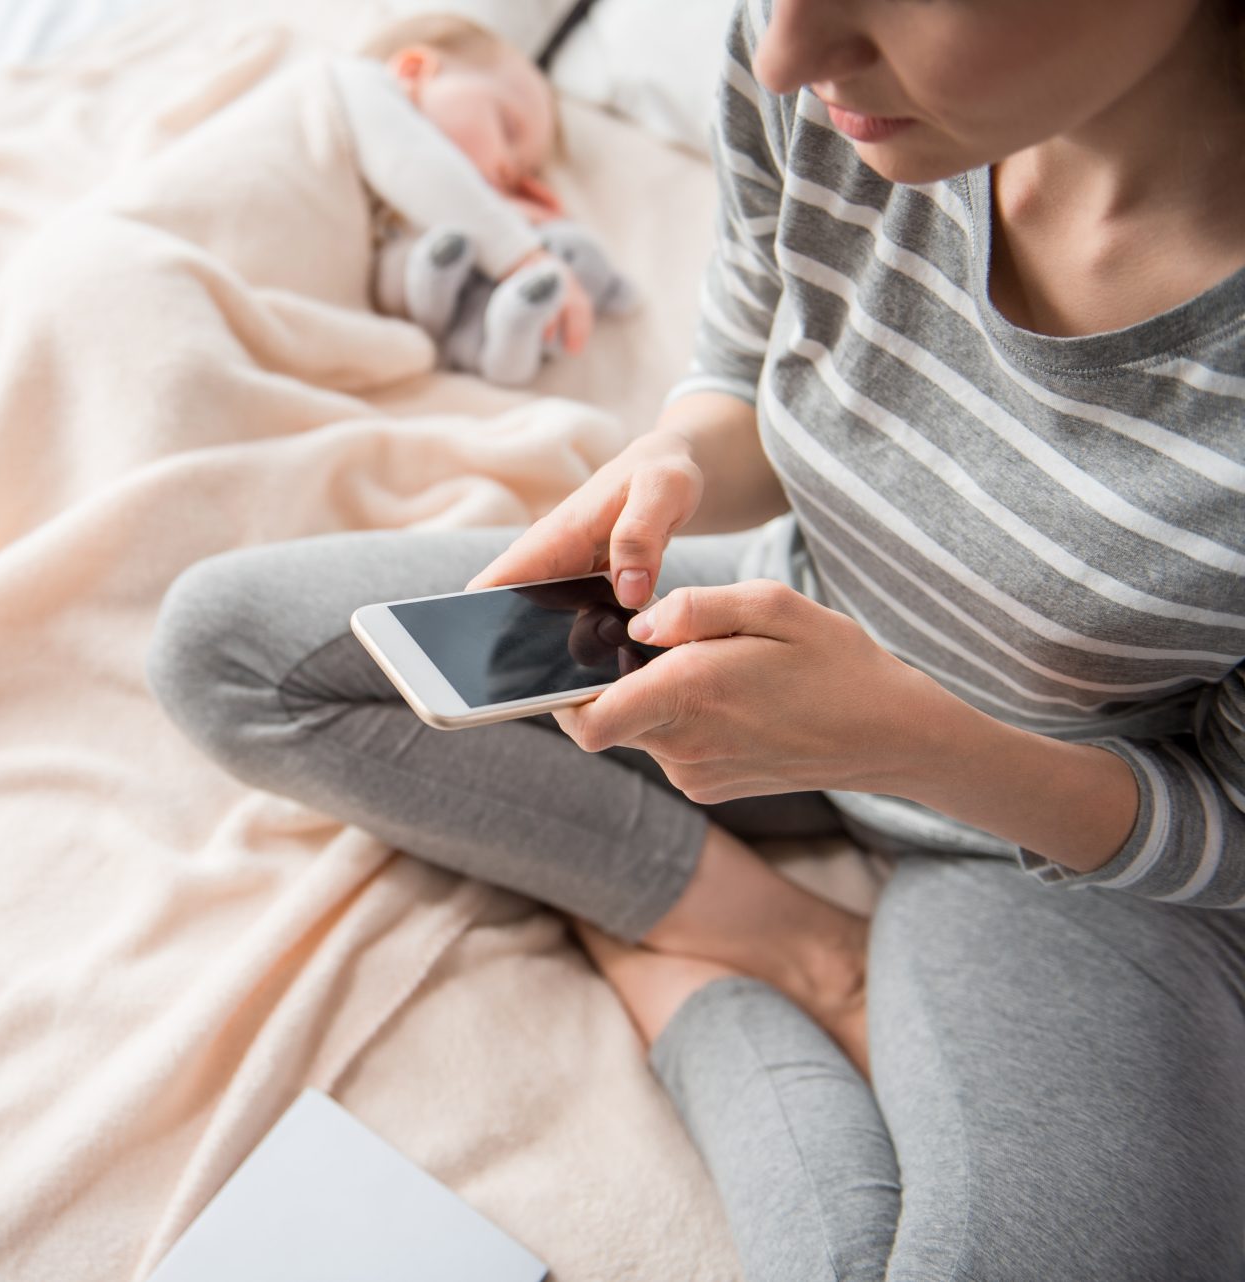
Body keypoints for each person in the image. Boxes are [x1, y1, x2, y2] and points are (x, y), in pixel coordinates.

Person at [147, 0, 1245, 1274]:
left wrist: (906, 742)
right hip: (777, 612)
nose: (785, 50)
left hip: (1056, 843)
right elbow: (748, 359)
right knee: (228, 649)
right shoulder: (829, 86)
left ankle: (691, 997)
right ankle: (780, 946)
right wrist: (668, 460)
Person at [334, 16, 599, 371]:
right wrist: (526, 254)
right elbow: (413, 163)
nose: (507, 170)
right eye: (507, 128)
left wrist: (520, 213)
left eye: (521, 178)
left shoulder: (386, 222)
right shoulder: (354, 81)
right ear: (413, 70)